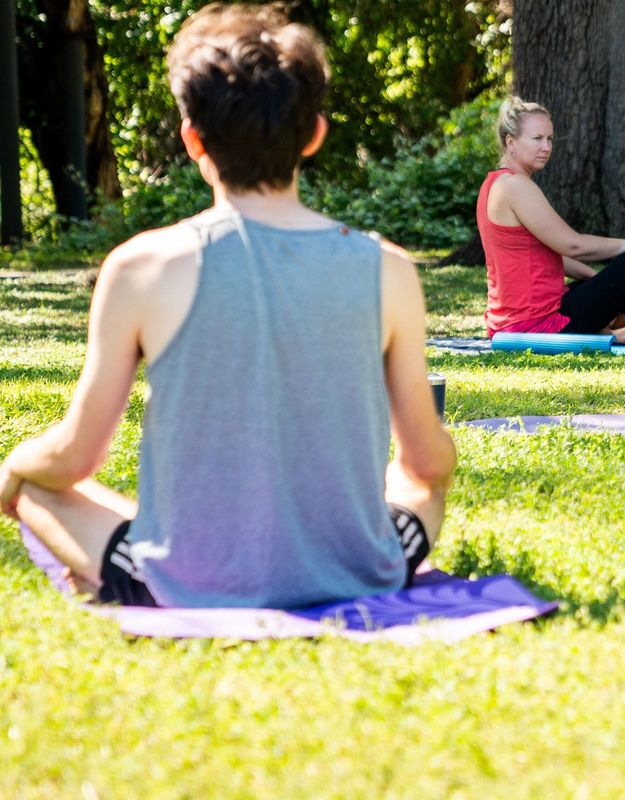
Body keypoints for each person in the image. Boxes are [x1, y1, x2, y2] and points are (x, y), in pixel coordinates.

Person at [0, 4, 456, 608]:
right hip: (360, 571)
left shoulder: (141, 267)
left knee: (39, 489)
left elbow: (76, 456)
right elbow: (426, 464)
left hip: (180, 584)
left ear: (192, 138)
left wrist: (15, 464)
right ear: (315, 133)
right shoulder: (390, 269)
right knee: (419, 490)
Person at [477, 96, 625, 344]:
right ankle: (613, 333)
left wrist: (598, 280)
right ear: (510, 142)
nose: (546, 147)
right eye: (537, 139)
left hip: (518, 321)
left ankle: (607, 328)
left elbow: (551, 256)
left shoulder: (495, 183)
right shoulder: (515, 186)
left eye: (549, 139)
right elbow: (572, 245)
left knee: (615, 275)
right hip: (537, 326)